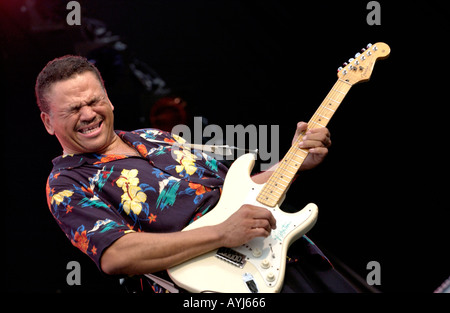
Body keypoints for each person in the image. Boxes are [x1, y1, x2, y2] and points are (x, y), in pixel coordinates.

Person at [37, 55, 355, 293]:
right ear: (48, 122)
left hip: (283, 253)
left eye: (94, 101)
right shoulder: (66, 184)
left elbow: (236, 193)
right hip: (215, 288)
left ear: (109, 99)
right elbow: (117, 255)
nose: (89, 113)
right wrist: (222, 234)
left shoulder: (154, 136)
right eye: (73, 109)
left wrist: (295, 161)